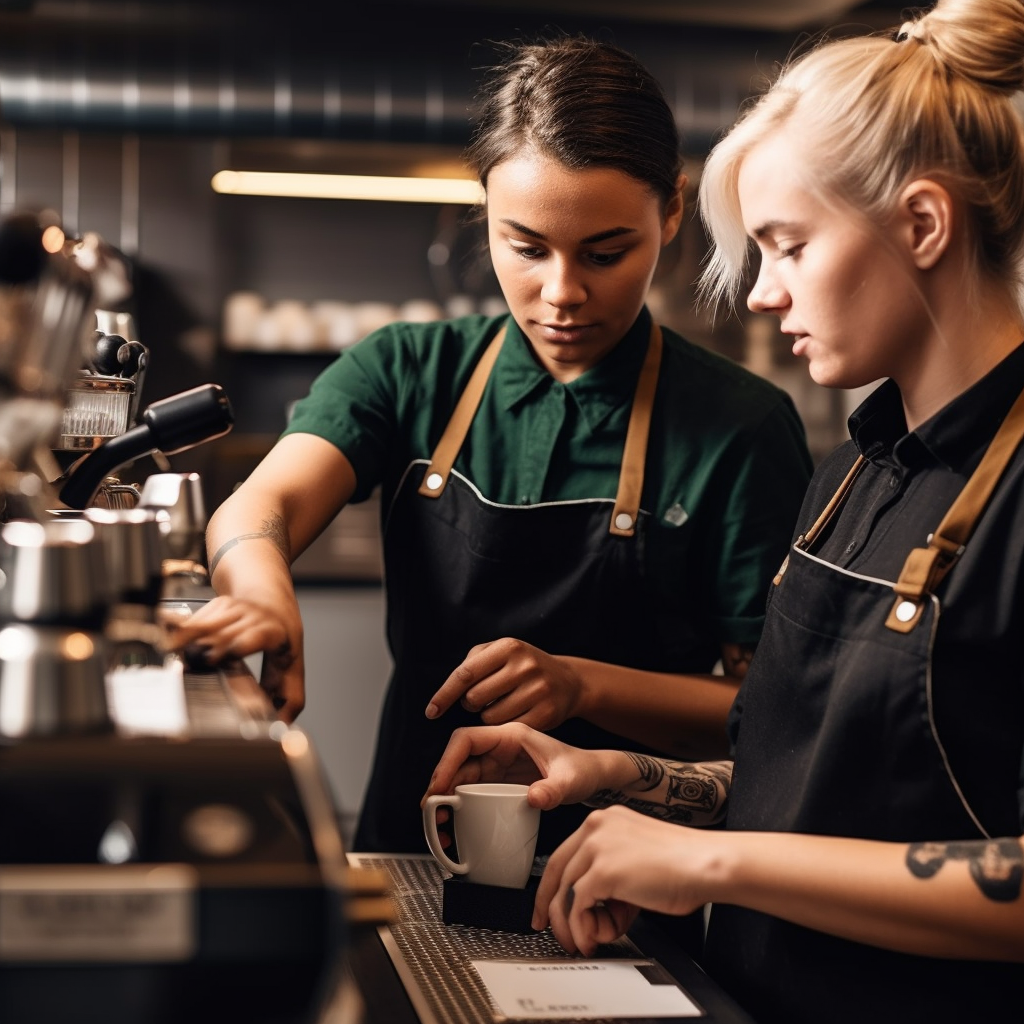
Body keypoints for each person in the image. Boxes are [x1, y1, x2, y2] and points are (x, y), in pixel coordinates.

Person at [424, 1, 1024, 1020]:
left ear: (922, 225)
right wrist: (622, 776)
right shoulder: (851, 473)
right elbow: (783, 771)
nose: (758, 293)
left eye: (786, 246)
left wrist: (710, 861)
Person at [171, 35, 812, 857]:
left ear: (673, 211)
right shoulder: (406, 370)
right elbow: (264, 504)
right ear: (485, 214)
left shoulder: (740, 426)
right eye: (526, 247)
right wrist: (259, 588)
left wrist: (584, 684)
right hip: (411, 837)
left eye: (606, 253)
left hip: (628, 872)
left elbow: (769, 707)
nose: (563, 293)